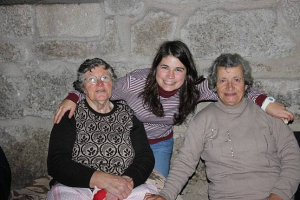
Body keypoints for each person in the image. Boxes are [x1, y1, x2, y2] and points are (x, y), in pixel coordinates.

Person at [53, 41, 294, 177]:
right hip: (124, 142)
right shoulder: (135, 82)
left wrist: (268, 103)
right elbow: (100, 87)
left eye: (178, 69)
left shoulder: (194, 89)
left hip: (159, 144)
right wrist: (72, 96)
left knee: (156, 188)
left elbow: (232, 88)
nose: (170, 76)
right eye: (164, 67)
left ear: (187, 73)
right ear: (155, 68)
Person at [144, 53, 300, 200]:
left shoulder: (268, 114)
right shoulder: (203, 120)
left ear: (246, 84)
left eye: (236, 80)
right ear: (215, 86)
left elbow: (293, 156)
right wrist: (166, 195)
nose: (230, 86)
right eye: (223, 80)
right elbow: (185, 162)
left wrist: (280, 194)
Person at [47, 58, 155, 200]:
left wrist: (123, 184)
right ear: (83, 87)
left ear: (112, 83)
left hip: (122, 187)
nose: (100, 83)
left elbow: (145, 156)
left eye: (105, 77)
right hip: (77, 187)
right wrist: (102, 180)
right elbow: (57, 162)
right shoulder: (71, 115)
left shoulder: (128, 115)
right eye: (91, 79)